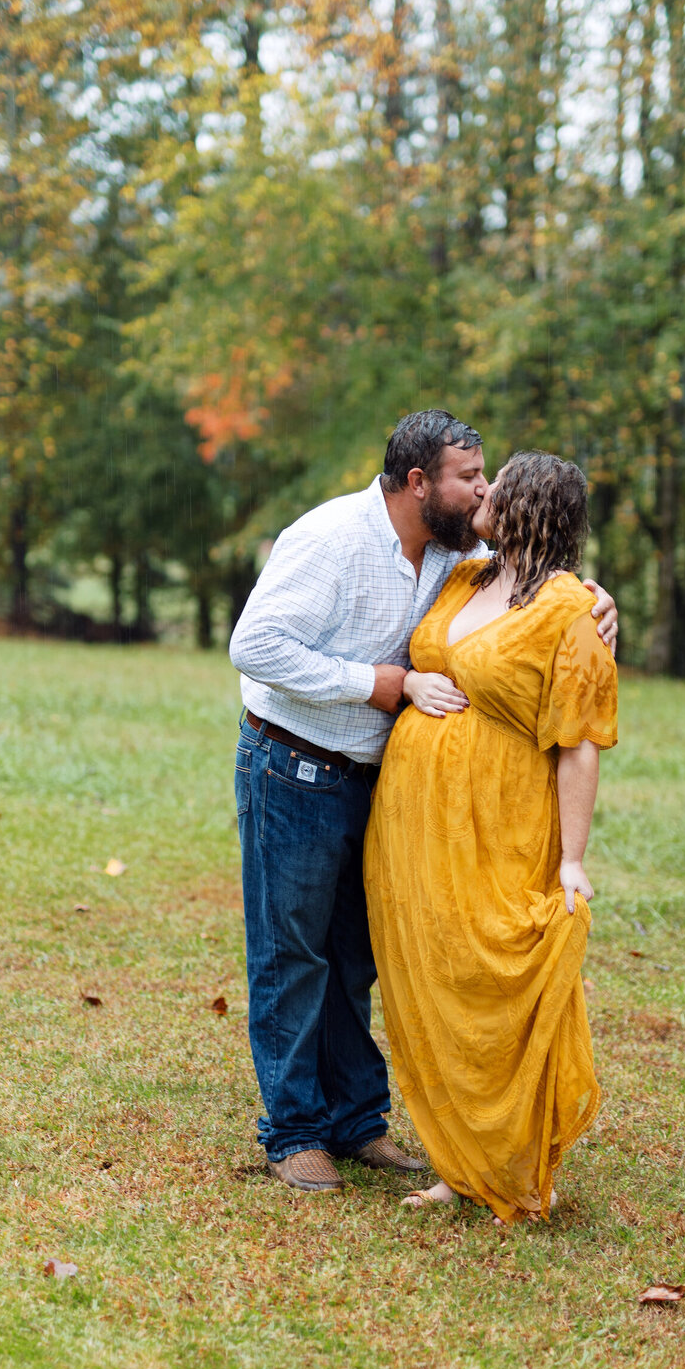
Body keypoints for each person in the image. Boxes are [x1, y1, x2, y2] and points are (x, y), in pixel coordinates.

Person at [229, 412, 618, 1194]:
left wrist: (597, 599)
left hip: (377, 789)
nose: (482, 489)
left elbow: (536, 578)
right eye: (470, 477)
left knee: (353, 961)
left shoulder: (458, 553)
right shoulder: (332, 538)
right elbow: (255, 646)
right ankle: (295, 1132)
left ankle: (356, 1123)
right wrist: (381, 683)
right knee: (292, 954)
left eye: (488, 480)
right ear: (418, 482)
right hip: (295, 768)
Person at [363, 451, 617, 1224]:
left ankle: (508, 1161)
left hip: (500, 822)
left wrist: (572, 860)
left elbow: (578, 743)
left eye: (498, 486)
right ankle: (454, 1160)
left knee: (491, 977)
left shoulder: (572, 610)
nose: (484, 491)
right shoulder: (466, 576)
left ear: (531, 507)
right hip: (414, 821)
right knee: (434, 973)